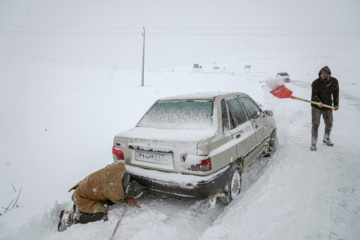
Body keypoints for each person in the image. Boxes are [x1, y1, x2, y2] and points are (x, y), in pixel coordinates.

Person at [58, 162, 145, 232]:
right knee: (102, 214)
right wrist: (127, 198)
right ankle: (73, 217)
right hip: (82, 197)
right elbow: (112, 201)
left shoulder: (120, 167)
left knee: (97, 191)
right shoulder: (116, 193)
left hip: (83, 186)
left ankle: (80, 207)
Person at [310, 66, 339, 151]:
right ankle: (313, 142)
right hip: (316, 106)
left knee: (329, 123)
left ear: (328, 74)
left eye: (324, 74)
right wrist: (318, 101)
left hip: (328, 105)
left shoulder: (334, 82)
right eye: (321, 74)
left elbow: (336, 94)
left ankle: (326, 137)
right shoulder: (316, 83)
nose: (322, 75)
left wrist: (336, 104)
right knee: (315, 124)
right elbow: (313, 96)